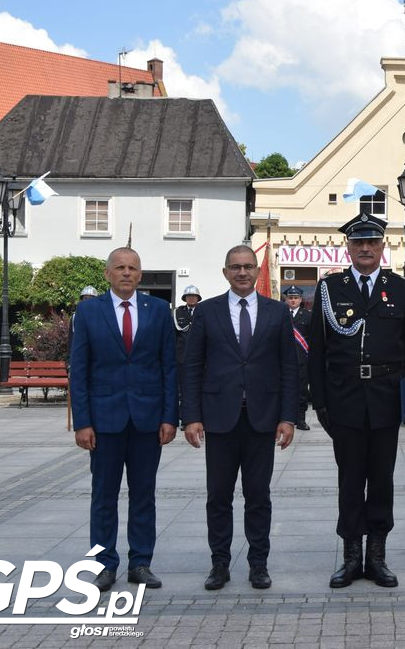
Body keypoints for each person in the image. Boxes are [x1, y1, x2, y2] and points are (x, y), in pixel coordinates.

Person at [308, 213, 405, 588]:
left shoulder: (400, 288)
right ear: (349, 247)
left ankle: (377, 556)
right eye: (358, 243)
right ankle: (351, 556)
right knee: (350, 479)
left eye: (371, 242)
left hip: (385, 396)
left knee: (382, 480)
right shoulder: (330, 288)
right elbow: (317, 350)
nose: (365, 248)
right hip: (343, 398)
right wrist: (320, 401)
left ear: (381, 247)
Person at [180, 245, 298, 591]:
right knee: (218, 496)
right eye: (236, 267)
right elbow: (191, 367)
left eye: (248, 267)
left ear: (257, 272)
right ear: (225, 272)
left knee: (258, 496)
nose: (243, 272)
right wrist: (191, 416)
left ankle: (258, 564)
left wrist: (288, 417)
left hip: (262, 419)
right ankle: (220, 564)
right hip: (219, 419)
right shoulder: (206, 311)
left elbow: (289, 368)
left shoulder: (277, 313)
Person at [68, 247, 178, 591]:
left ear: (140, 275)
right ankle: (104, 564)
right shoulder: (88, 312)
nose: (126, 273)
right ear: (107, 274)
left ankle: (141, 563)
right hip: (104, 422)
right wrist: (82, 422)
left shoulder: (159, 310)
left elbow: (168, 366)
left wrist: (169, 416)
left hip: (147, 420)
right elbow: (79, 371)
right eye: (120, 268)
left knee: (144, 494)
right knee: (103, 496)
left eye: (132, 268)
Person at [282, 285, 312, 431]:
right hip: (283, 360)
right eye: (290, 298)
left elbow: (312, 339)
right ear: (285, 299)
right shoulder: (280, 314)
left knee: (301, 392)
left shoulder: (308, 316)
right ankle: (285, 418)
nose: (293, 300)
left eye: (296, 298)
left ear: (301, 299)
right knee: (284, 390)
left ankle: (300, 419)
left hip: (302, 360)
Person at [67, 285, 99, 361]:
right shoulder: (75, 316)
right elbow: (71, 339)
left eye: (91, 298)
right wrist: (69, 360)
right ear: (81, 300)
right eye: (85, 298)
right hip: (80, 357)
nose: (88, 301)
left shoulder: (102, 315)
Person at [174, 285, 202, 367]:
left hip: (199, 352)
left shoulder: (203, 310)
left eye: (194, 296)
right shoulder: (178, 311)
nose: (191, 298)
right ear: (185, 298)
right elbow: (174, 334)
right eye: (189, 296)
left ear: (198, 298)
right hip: (182, 353)